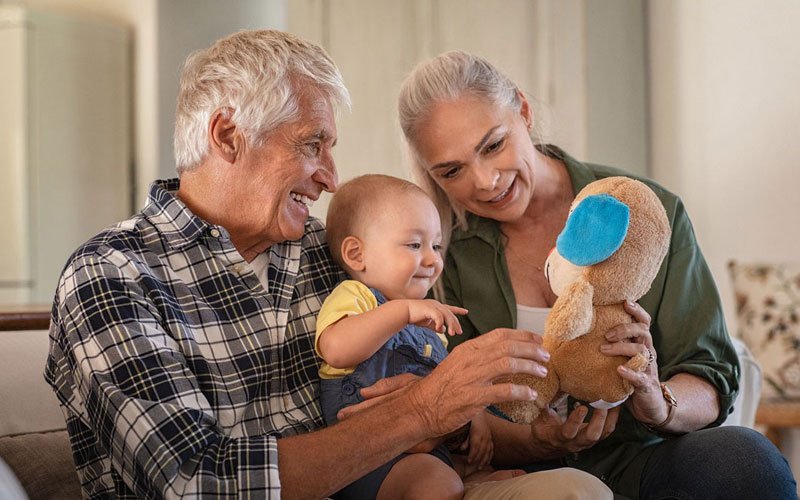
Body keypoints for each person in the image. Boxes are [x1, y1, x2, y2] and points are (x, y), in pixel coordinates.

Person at [44, 31, 612, 499]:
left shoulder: (334, 250)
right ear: (226, 135)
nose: (332, 177)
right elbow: (195, 483)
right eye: (313, 144)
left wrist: (472, 430)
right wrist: (420, 410)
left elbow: (419, 397)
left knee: (577, 493)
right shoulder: (113, 276)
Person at [396, 49, 798, 499]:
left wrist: (656, 400)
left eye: (493, 145)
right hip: (529, 476)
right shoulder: (435, 256)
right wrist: (536, 441)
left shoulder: (645, 211)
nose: (486, 181)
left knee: (746, 462)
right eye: (452, 171)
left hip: (644, 456)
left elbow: (710, 374)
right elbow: (456, 411)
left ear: (524, 112)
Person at [318, 174, 522, 498]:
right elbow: (336, 350)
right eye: (414, 245)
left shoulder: (426, 324)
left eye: (436, 246)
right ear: (357, 255)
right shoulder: (356, 296)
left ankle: (468, 479)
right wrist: (402, 312)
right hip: (373, 461)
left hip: (426, 453)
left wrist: (473, 414)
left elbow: (444, 389)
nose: (432, 260)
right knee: (437, 483)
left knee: (489, 475)